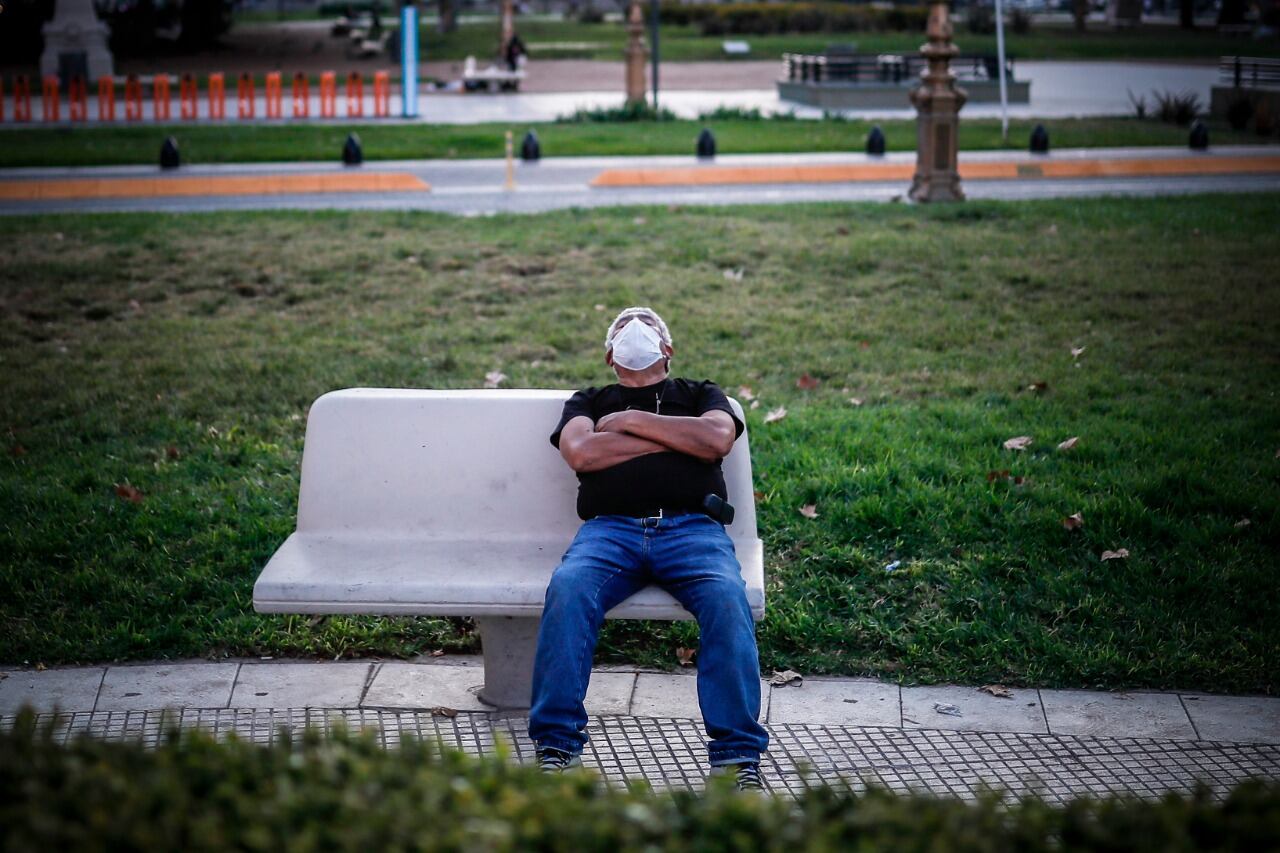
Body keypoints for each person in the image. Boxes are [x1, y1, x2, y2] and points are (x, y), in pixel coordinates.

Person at [527, 306, 769, 792]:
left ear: (668, 348)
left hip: (692, 531)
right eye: (622, 325)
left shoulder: (699, 393)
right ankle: (557, 747)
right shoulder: (590, 400)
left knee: (727, 599)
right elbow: (582, 452)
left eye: (647, 323)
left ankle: (737, 759)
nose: (634, 326)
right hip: (609, 532)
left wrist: (628, 422)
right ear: (609, 355)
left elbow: (717, 439)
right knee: (569, 590)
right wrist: (680, 440)